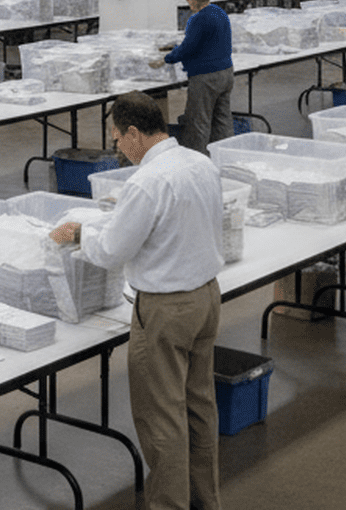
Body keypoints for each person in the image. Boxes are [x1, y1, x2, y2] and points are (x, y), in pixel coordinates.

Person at [48, 92, 224, 510]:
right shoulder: (199, 162)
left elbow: (111, 251)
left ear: (133, 133)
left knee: (162, 421)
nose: (116, 149)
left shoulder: (147, 182)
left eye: (116, 139)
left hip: (166, 311)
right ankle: (205, 502)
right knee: (199, 409)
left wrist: (76, 234)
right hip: (206, 299)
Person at [161, 0, 234, 153]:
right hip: (226, 72)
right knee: (222, 120)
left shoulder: (198, 19)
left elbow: (188, 48)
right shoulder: (219, 12)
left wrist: (168, 58)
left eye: (187, 0)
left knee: (198, 122)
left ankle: (196, 160)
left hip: (206, 77)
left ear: (192, 0)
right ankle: (224, 156)